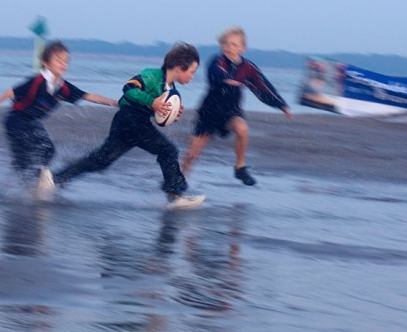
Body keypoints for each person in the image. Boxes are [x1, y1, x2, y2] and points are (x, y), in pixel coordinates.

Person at [54, 42, 203, 207]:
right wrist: (152, 102)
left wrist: (170, 116)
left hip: (131, 121)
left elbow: (159, 119)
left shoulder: (171, 90)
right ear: (180, 67)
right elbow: (129, 88)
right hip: (130, 117)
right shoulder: (152, 75)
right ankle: (175, 194)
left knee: (102, 160)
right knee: (168, 150)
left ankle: (56, 179)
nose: (192, 76)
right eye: (192, 72)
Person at [0, 40, 117, 180]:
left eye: (66, 61)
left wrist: (115, 102)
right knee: (24, 156)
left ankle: (37, 176)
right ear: (45, 62)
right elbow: (14, 90)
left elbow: (88, 96)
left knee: (49, 151)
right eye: (58, 60)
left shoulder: (64, 87)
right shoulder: (37, 81)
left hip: (33, 122)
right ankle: (23, 181)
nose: (63, 64)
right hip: (16, 121)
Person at [181, 27, 292, 186]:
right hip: (209, 112)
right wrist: (226, 79)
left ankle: (240, 167)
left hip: (231, 112)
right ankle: (176, 182)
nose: (228, 47)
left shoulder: (248, 68)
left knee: (242, 128)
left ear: (242, 48)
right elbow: (214, 72)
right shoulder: (217, 60)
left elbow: (263, 86)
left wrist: (281, 105)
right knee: (193, 154)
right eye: (225, 44)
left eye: (233, 44)